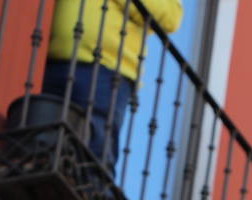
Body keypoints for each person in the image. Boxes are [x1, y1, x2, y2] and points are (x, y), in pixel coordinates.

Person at [43, 0, 184, 171]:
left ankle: (92, 194)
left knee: (92, 149)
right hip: (49, 59)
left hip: (104, 69)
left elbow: (170, 16)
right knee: (42, 140)